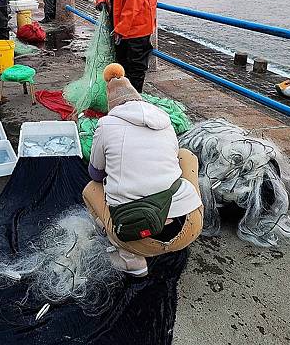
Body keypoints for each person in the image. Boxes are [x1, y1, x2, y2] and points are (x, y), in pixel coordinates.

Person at [83, 63, 203, 277]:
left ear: (112, 105)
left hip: (137, 236)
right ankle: (189, 211)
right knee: (186, 156)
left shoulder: (106, 124)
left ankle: (130, 258)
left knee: (90, 189)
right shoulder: (163, 118)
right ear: (138, 98)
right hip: (191, 227)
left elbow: (96, 174)